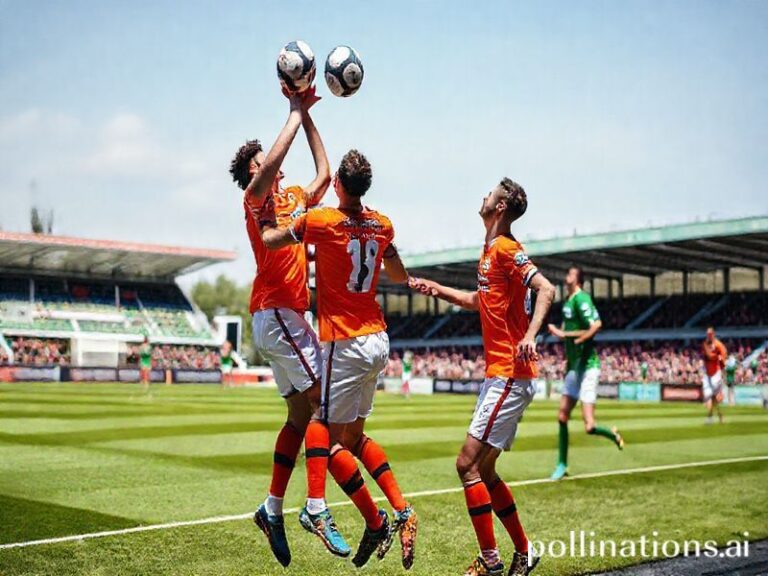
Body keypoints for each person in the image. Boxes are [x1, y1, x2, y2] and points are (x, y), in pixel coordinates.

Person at [263, 149, 418, 569]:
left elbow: (273, 240)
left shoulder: (321, 221)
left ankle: (321, 507)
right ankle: (399, 511)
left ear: (337, 186)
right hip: (378, 339)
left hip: (344, 341)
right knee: (352, 439)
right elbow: (399, 277)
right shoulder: (383, 224)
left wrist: (265, 223)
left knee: (322, 427)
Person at [410, 177, 556, 576]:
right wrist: (438, 289)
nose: (483, 196)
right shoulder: (490, 250)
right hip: (502, 374)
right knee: (485, 471)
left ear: (501, 206)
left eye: (490, 193)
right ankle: (524, 553)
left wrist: (529, 335)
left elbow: (547, 289)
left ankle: (490, 562)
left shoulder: (507, 249)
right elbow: (480, 301)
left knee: (467, 465)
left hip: (510, 372)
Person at [229, 86, 349, 565]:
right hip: (278, 311)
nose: (274, 162)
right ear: (253, 172)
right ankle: (316, 507)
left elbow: (325, 172)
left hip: (284, 316)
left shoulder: (296, 195)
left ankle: (271, 508)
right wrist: (294, 112)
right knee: (321, 404)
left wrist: (309, 118)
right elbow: (272, 169)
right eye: (265, 159)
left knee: (300, 419)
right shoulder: (253, 200)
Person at [547, 267, 624, 481]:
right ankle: (562, 464)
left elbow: (596, 325)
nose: (566, 276)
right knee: (562, 416)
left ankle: (612, 433)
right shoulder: (568, 302)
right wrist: (563, 340)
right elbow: (568, 334)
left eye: (570, 273)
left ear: (578, 279)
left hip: (588, 366)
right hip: (574, 367)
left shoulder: (582, 299)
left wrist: (573, 337)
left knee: (589, 426)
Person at [702, 327, 727, 424]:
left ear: (713, 334)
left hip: (716, 374)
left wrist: (723, 373)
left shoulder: (719, 345)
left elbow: (723, 358)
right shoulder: (704, 344)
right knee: (708, 397)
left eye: (710, 334)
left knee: (713, 396)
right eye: (707, 334)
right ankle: (718, 415)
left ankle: (710, 417)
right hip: (707, 374)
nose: (708, 336)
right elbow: (707, 357)